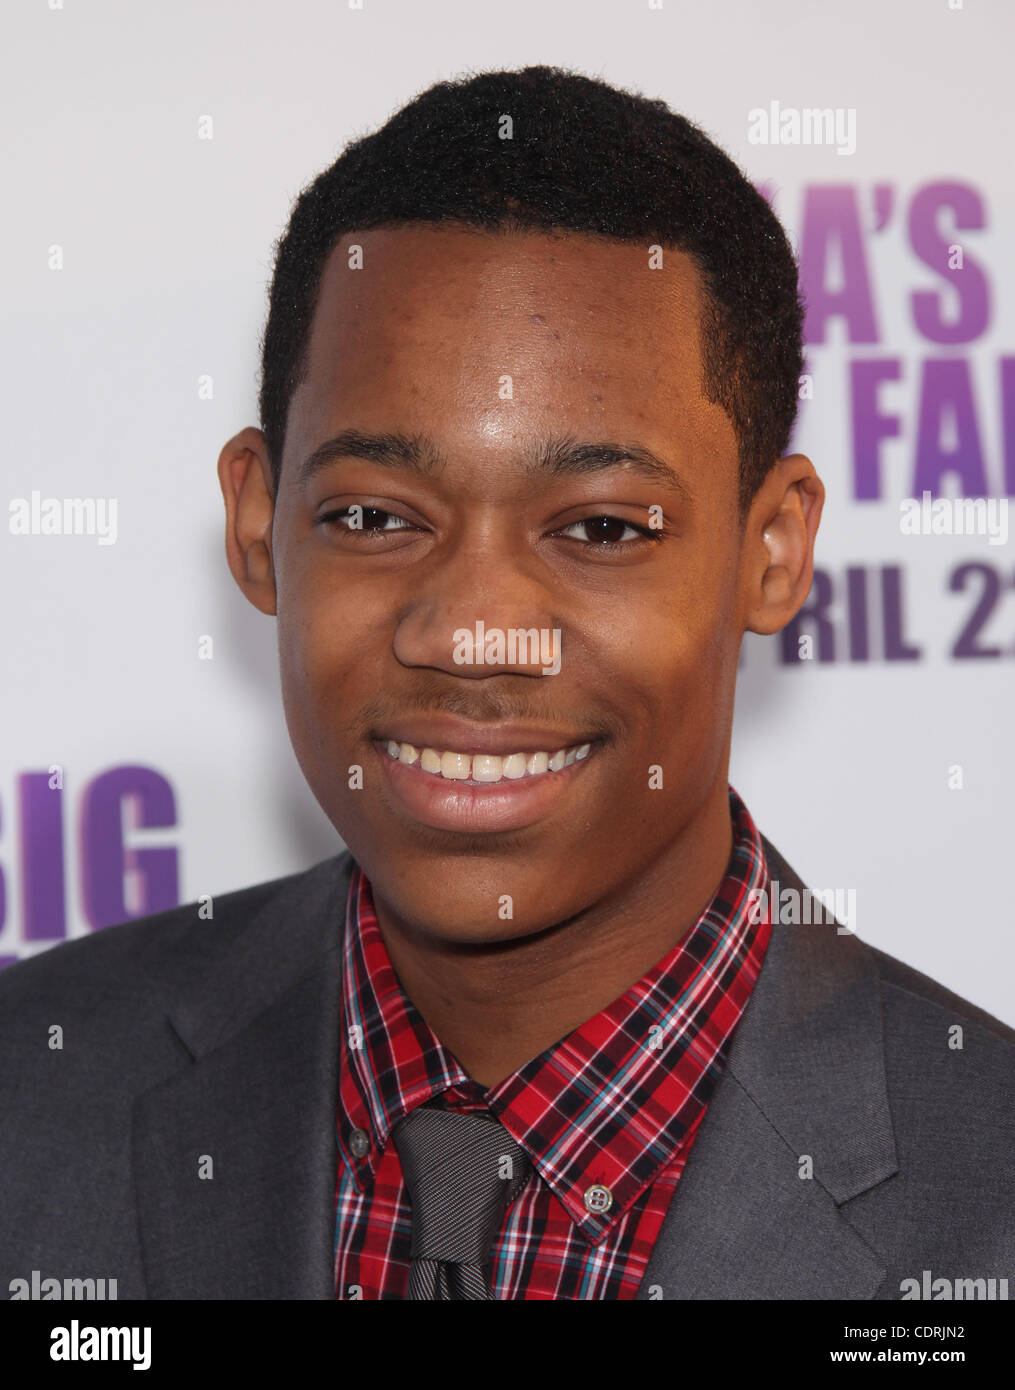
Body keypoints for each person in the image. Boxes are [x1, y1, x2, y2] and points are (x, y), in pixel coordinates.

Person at [2, 65, 1012, 1302]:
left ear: (771, 551)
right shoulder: (30, 1097)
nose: (474, 633)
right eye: (375, 513)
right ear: (261, 527)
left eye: (599, 530)